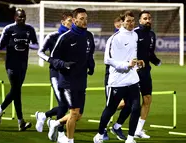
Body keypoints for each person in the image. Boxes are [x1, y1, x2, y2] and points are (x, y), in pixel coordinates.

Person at [93, 10, 145, 143]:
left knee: (135, 108)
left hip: (132, 79)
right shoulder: (114, 38)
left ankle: (130, 138)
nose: (131, 23)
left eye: (133, 21)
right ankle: (99, 134)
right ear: (121, 22)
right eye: (128, 21)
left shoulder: (135, 36)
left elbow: (131, 56)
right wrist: (126, 65)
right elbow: (107, 60)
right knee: (110, 109)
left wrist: (137, 62)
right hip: (117, 81)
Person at [46, 8, 95, 143]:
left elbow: (89, 55)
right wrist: (64, 64)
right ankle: (69, 140)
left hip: (81, 80)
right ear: (74, 20)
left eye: (86, 18)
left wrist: (91, 66)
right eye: (82, 18)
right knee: (73, 113)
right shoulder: (65, 37)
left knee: (78, 115)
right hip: (67, 81)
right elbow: (53, 59)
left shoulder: (89, 36)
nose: (85, 21)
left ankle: (55, 123)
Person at [111, 10, 161, 139]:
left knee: (147, 99)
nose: (148, 20)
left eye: (149, 18)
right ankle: (110, 117)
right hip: (133, 72)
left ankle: (138, 130)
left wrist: (156, 61)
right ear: (140, 21)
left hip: (145, 71)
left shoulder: (151, 34)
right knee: (128, 104)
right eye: (145, 18)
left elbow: (150, 53)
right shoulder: (134, 33)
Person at [0, 8, 38, 131]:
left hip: (23, 64)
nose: (22, 19)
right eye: (19, 17)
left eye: (23, 17)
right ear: (15, 17)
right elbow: (1, 44)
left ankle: (19, 121)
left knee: (16, 92)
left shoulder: (30, 29)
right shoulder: (9, 29)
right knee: (16, 90)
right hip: (11, 64)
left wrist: (28, 44)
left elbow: (36, 44)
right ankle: (4, 111)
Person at [35, 11, 73, 142]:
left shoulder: (73, 37)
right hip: (56, 74)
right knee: (63, 103)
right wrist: (51, 60)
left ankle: (43, 116)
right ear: (63, 22)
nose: (72, 23)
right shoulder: (52, 36)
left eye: (73, 21)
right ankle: (61, 133)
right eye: (69, 21)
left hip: (68, 75)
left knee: (68, 105)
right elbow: (40, 52)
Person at [103, 16, 124, 141]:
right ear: (117, 25)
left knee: (132, 104)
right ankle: (103, 129)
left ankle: (117, 126)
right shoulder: (114, 39)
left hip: (126, 77)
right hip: (113, 77)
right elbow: (108, 60)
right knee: (112, 105)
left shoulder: (130, 37)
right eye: (121, 22)